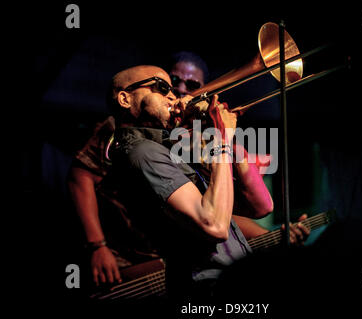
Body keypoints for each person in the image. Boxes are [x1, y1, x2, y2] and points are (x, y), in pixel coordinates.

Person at [67, 53, 309, 289]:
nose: (175, 93)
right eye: (163, 86)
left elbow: (259, 206)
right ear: (124, 99)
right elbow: (214, 223)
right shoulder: (138, 148)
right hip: (167, 270)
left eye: (188, 86)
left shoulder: (179, 142)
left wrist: (227, 139)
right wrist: (97, 244)